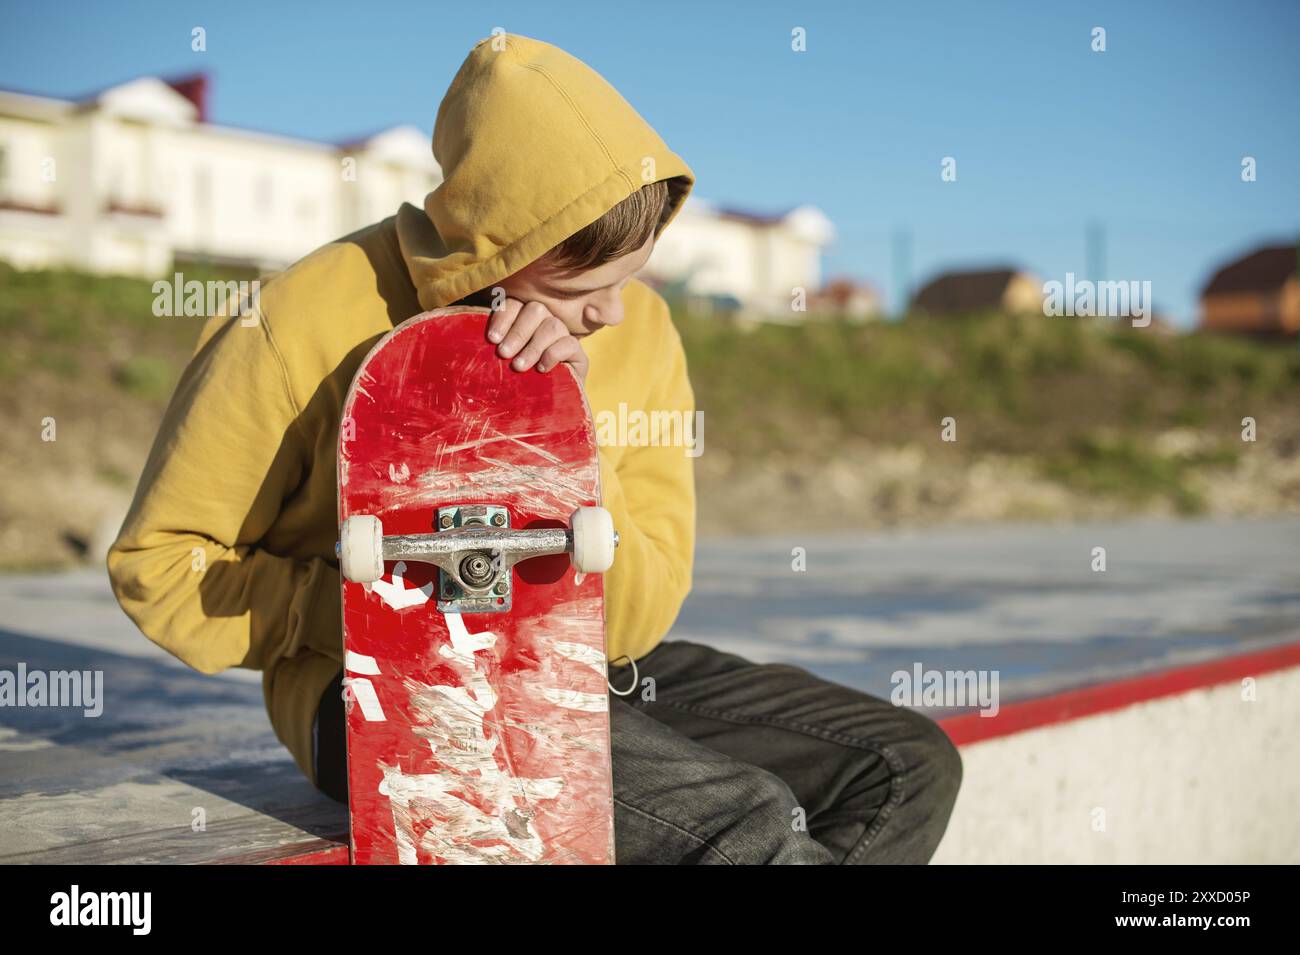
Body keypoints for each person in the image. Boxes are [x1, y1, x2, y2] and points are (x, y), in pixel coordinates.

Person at [108, 32, 960, 864]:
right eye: (586, 287)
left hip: (599, 657)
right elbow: (160, 563)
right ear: (501, 255)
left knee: (905, 765)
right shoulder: (299, 325)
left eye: (632, 275)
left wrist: (562, 433)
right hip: (378, 688)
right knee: (743, 821)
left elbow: (642, 609)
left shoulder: (644, 330)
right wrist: (360, 611)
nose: (616, 312)